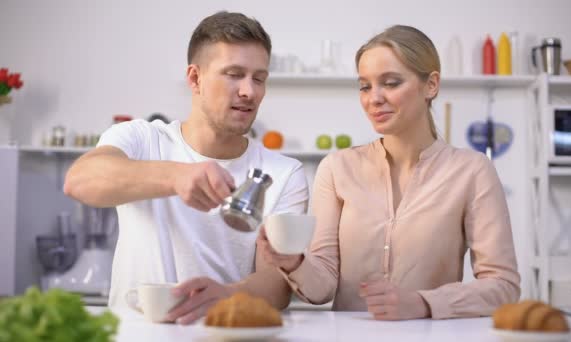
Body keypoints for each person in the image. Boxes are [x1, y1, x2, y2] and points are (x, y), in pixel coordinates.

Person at [258, 25, 520, 320]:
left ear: (431, 85)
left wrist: (423, 303)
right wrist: (294, 263)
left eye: (391, 83)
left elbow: (503, 286)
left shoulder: (472, 171)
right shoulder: (336, 168)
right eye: (365, 86)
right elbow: (323, 286)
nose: (374, 98)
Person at [64, 11, 309, 324]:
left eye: (259, 78)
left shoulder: (284, 172)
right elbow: (80, 180)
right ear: (195, 78)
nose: (250, 91)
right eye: (234, 74)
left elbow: (278, 284)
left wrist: (228, 295)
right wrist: (176, 176)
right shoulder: (142, 139)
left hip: (223, 333)